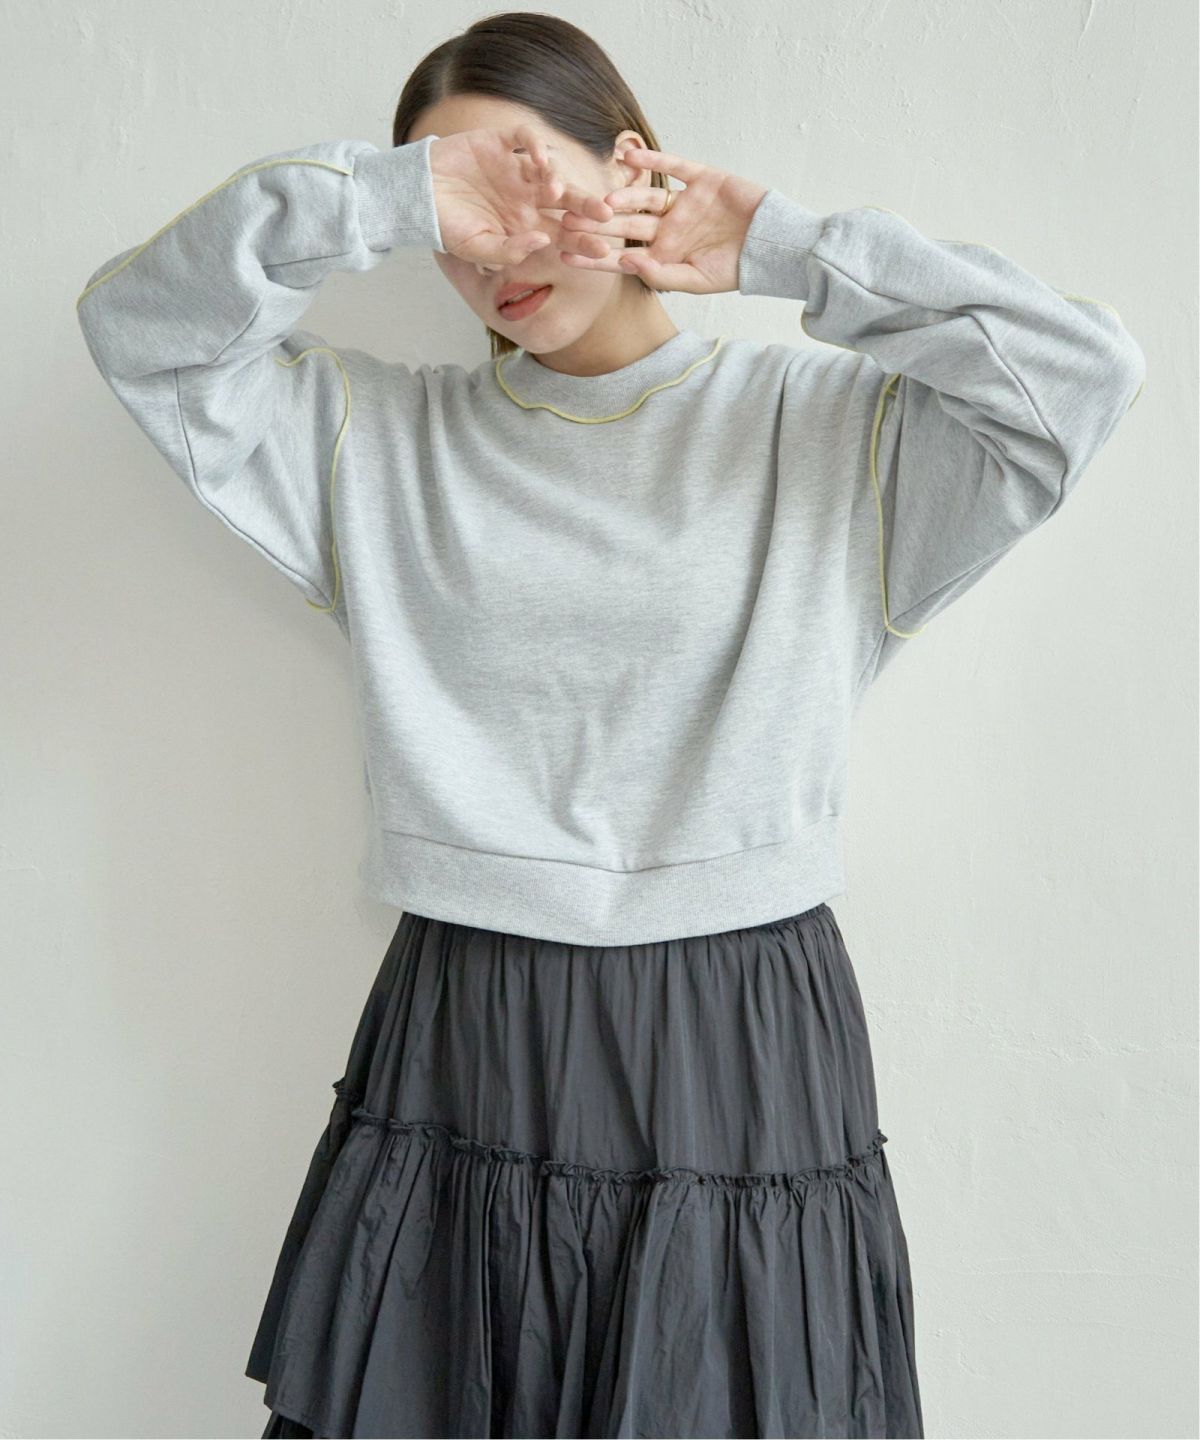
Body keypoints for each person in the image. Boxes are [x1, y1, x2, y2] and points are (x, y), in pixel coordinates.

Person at [75, 12, 1145, 1439]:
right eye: (458, 208)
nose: (497, 250)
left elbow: (1082, 376)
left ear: (632, 167)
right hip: (473, 1015)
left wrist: (787, 250)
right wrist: (379, 201)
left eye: (524, 176)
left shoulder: (828, 433)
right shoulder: (373, 444)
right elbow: (141, 335)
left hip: (737, 1026)